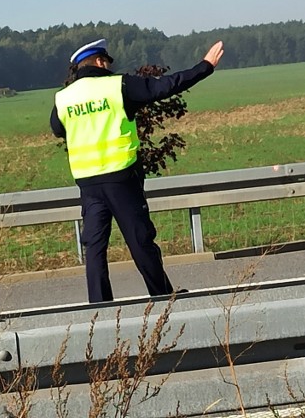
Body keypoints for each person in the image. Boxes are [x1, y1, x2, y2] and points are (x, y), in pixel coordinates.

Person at [50, 39, 224, 302]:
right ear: (99, 62)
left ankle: (98, 306)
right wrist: (205, 67)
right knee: (140, 241)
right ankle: (162, 296)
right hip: (120, 177)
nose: (109, 67)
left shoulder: (64, 99)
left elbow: (58, 129)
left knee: (95, 247)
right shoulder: (116, 86)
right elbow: (166, 86)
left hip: (87, 182)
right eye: (107, 62)